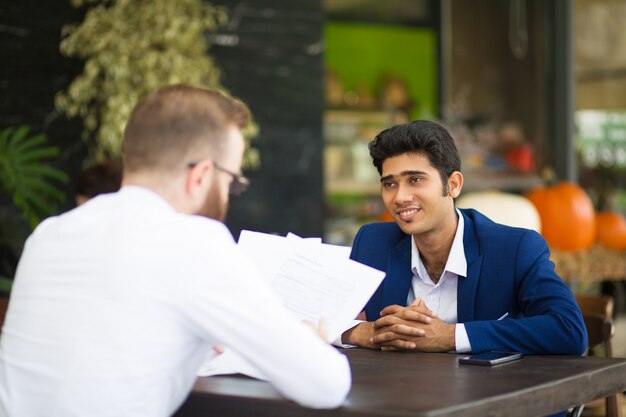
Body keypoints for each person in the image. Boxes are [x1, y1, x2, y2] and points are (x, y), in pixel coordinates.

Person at [0, 85, 351, 417]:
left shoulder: (50, 233)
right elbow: (326, 385)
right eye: (231, 182)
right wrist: (311, 342)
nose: (229, 194)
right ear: (200, 176)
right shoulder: (195, 241)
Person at [340, 120, 587, 356]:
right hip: (394, 393)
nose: (400, 196)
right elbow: (315, 316)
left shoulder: (514, 249)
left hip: (487, 395)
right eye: (390, 184)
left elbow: (569, 331)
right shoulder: (373, 241)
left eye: (415, 180)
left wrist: (448, 336)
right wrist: (365, 332)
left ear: (454, 184)